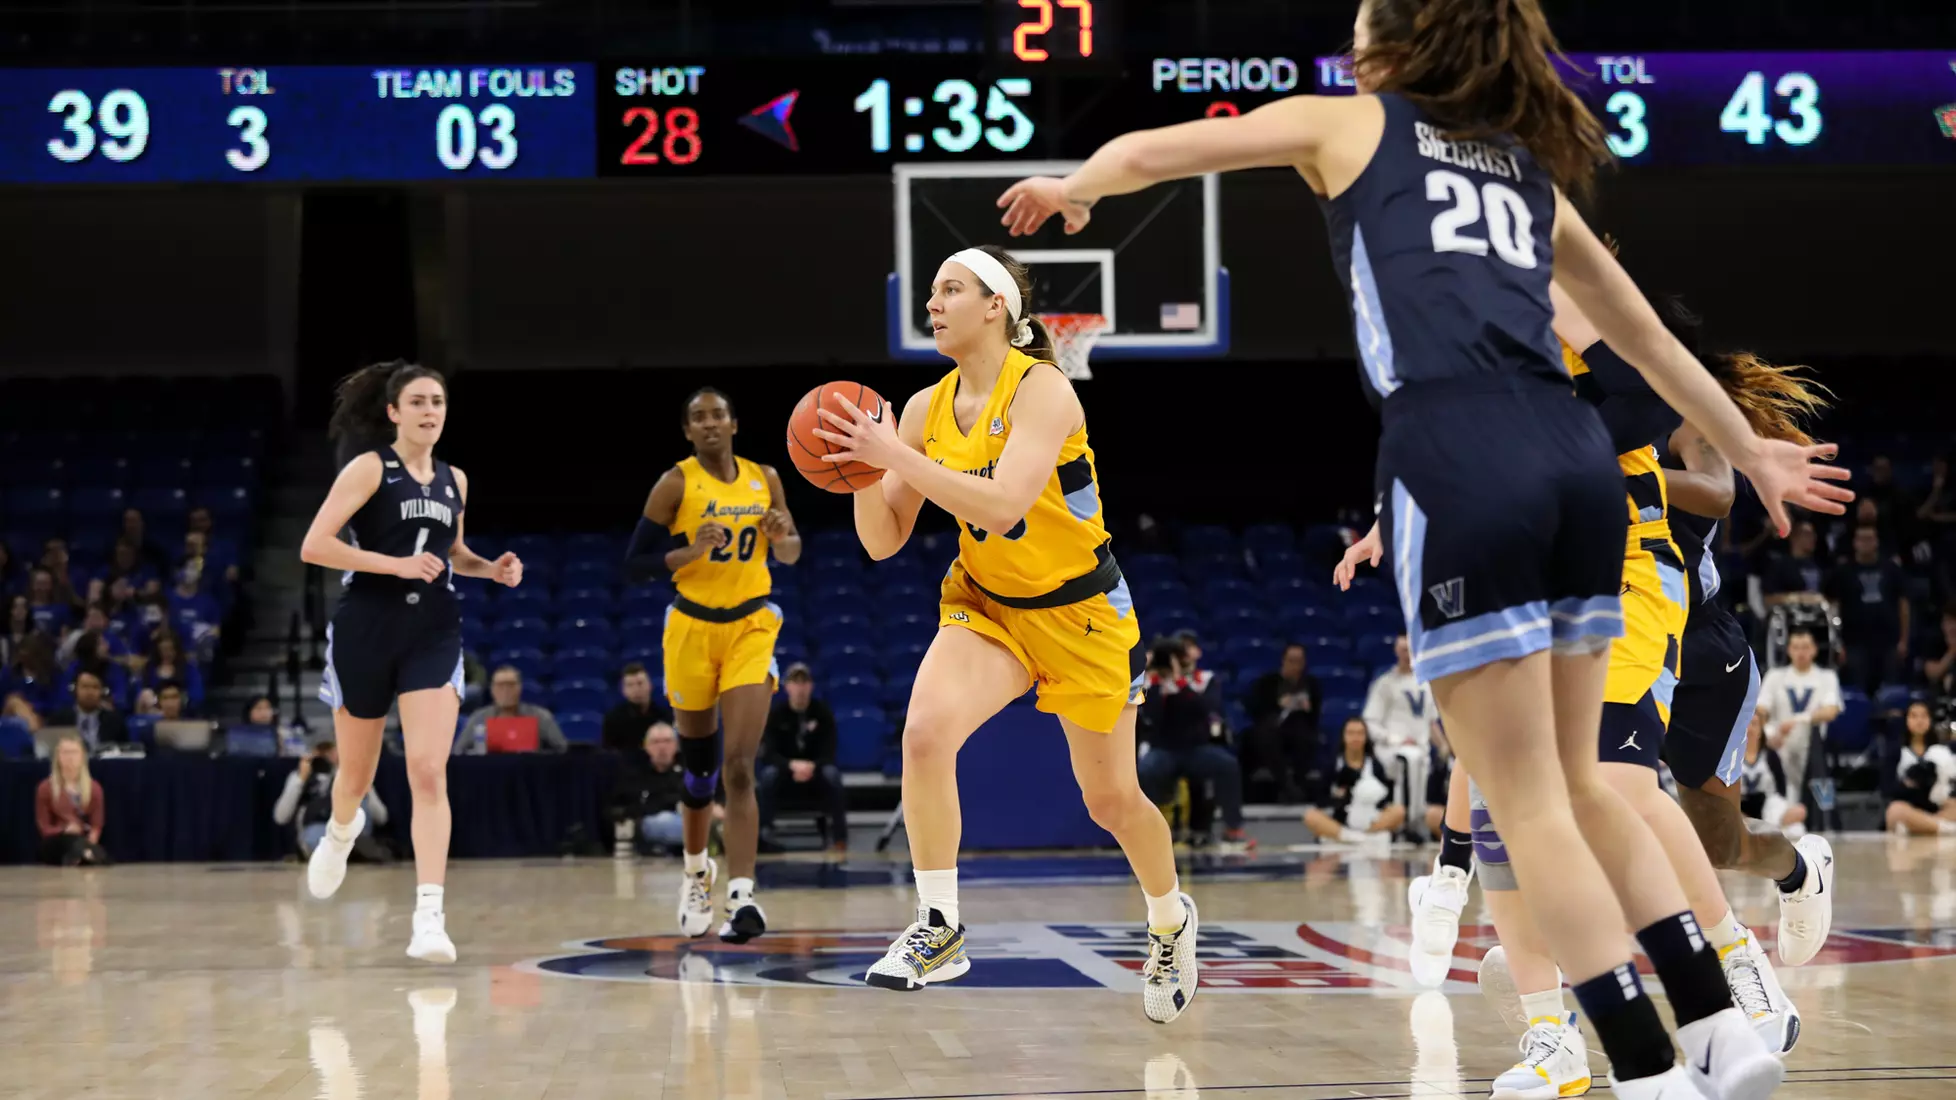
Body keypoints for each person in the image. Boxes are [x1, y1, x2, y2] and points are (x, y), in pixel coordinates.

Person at [997, 0, 1851, 1088]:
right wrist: (1750, 451)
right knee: (1590, 783)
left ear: (1390, 49)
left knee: (1523, 800)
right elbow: (1643, 332)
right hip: (1587, 475)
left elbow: (1167, 149)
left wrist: (1077, 185)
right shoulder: (1521, 169)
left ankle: (1644, 1069)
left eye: (1359, 30)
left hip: (1460, 451)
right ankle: (1719, 1025)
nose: (1349, 49)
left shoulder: (1351, 124)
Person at [813, 244, 1199, 1022]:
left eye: (949, 289)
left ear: (996, 306)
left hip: (1082, 614)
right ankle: (939, 925)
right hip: (988, 605)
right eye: (930, 292)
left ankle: (1169, 921)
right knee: (923, 735)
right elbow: (883, 541)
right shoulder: (923, 408)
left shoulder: (1045, 391)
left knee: (1112, 800)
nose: (933, 303)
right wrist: (859, 473)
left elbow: (1003, 507)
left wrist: (892, 456)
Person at [300, 361, 523, 964]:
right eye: (418, 402)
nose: (431, 411)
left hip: (433, 629)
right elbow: (314, 545)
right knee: (355, 777)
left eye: (439, 402)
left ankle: (429, 917)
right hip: (367, 627)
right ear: (394, 413)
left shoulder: (457, 480)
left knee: (428, 770)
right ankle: (341, 833)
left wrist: (489, 568)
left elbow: (452, 553)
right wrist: (394, 565)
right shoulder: (369, 468)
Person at [1652, 340, 1838, 972]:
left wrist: (1627, 479)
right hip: (1620, 639)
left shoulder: (1683, 417)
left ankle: (1798, 867)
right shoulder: (1577, 411)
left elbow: (1717, 492)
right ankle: (1548, 981)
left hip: (1703, 653)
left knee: (1719, 843)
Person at [624, 387, 801, 944]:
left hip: (751, 624)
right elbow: (635, 565)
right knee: (699, 774)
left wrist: (781, 537)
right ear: (687, 431)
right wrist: (686, 552)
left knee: (740, 766)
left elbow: (793, 550)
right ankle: (697, 871)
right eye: (698, 417)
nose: (709, 423)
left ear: (734, 423)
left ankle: (743, 897)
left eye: (717, 414)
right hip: (691, 630)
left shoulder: (764, 477)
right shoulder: (675, 483)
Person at [1138, 637, 1251, 849]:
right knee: (1145, 770)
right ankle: (1153, 829)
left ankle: (1233, 827)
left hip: (1196, 749)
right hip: (1164, 749)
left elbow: (1203, 710)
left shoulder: (1204, 680)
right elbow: (1150, 716)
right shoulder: (1151, 684)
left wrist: (1179, 682)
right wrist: (1154, 679)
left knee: (1227, 765)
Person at [758, 663, 849, 852]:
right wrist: (791, 765)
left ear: (811, 686)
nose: (800, 687)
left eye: (804, 682)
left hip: (815, 770)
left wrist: (811, 766)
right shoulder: (776, 715)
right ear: (787, 686)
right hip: (786, 770)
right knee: (767, 777)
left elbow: (829, 751)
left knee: (833, 775)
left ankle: (840, 837)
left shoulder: (822, 713)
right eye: (795, 682)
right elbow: (769, 754)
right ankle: (763, 832)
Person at [1755, 629, 1842, 801]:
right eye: (1796, 647)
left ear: (1814, 650)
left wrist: (1798, 720)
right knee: (1782, 798)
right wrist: (1769, 733)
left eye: (1805, 647)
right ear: (1789, 650)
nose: (1801, 652)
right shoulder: (1775, 676)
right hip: (1780, 747)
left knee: (1814, 803)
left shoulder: (1826, 677)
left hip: (1811, 748)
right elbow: (1761, 710)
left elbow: (1831, 710)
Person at [273, 736, 391, 860]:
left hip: (352, 828)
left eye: (331, 750)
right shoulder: (300, 777)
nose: (326, 755)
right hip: (318, 828)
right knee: (321, 835)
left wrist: (363, 785)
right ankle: (350, 850)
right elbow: (280, 817)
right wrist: (300, 780)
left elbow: (381, 817)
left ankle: (350, 847)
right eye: (321, 751)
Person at [1301, 716, 1404, 845]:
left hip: (1371, 820)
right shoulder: (1332, 766)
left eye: (1360, 733)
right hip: (1341, 823)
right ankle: (1350, 837)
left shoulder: (1375, 766)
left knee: (1399, 811)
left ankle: (1366, 835)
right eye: (1351, 733)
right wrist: (1339, 798)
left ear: (1366, 737)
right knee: (1310, 816)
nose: (1355, 738)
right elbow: (1321, 801)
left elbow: (1386, 801)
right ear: (1343, 736)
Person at [1242, 642, 1322, 801]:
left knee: (1307, 739)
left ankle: (1296, 785)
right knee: (1267, 736)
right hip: (1270, 727)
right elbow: (1254, 709)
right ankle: (1287, 786)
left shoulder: (1311, 684)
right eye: (1291, 660)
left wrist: (1308, 707)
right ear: (1283, 660)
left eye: (1299, 661)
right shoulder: (1267, 682)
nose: (1295, 665)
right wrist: (1277, 703)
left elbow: (1315, 716)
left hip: (1298, 727)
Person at [1884, 700, 1956, 836]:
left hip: (1938, 808)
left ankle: (1924, 826)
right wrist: (1909, 785)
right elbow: (1886, 789)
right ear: (1906, 720)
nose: (1919, 721)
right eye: (1914, 716)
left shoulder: (1942, 750)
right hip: (1909, 808)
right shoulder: (1896, 751)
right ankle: (1943, 828)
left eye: (1924, 716)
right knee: (1895, 810)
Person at [36, 733, 109, 866]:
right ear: (58, 757)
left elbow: (96, 825)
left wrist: (89, 843)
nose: (70, 757)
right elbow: (44, 828)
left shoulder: (94, 788)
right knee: (73, 842)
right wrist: (64, 830)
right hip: (56, 842)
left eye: (74, 752)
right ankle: (85, 855)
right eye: (65, 752)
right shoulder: (46, 787)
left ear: (82, 756)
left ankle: (82, 854)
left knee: (86, 846)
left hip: (83, 838)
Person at [1737, 714, 1807, 838]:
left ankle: (1767, 830)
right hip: (1740, 806)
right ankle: (1763, 831)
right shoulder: (1732, 757)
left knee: (1799, 816)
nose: (1750, 729)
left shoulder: (1770, 755)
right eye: (1746, 724)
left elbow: (1781, 786)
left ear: (1760, 730)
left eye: (1754, 724)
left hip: (1769, 807)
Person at [602, 662, 674, 757]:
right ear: (624, 691)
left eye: (640, 683)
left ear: (650, 685)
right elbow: (609, 753)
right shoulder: (613, 719)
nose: (636, 689)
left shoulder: (665, 715)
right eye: (630, 685)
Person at [51, 669, 130, 750]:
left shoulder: (115, 721)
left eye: (95, 687)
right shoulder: (59, 719)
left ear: (102, 692)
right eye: (85, 686)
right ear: (75, 690)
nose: (90, 692)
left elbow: (124, 752)